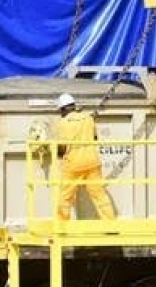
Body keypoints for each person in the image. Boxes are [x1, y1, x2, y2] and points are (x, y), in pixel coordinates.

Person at [53, 93, 116, 221]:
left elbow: (62, 147)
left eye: (60, 110)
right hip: (92, 162)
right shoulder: (88, 118)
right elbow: (95, 138)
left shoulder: (63, 123)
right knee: (99, 195)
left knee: (65, 197)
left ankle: (62, 224)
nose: (60, 113)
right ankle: (110, 223)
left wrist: (56, 153)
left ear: (64, 108)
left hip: (73, 164)